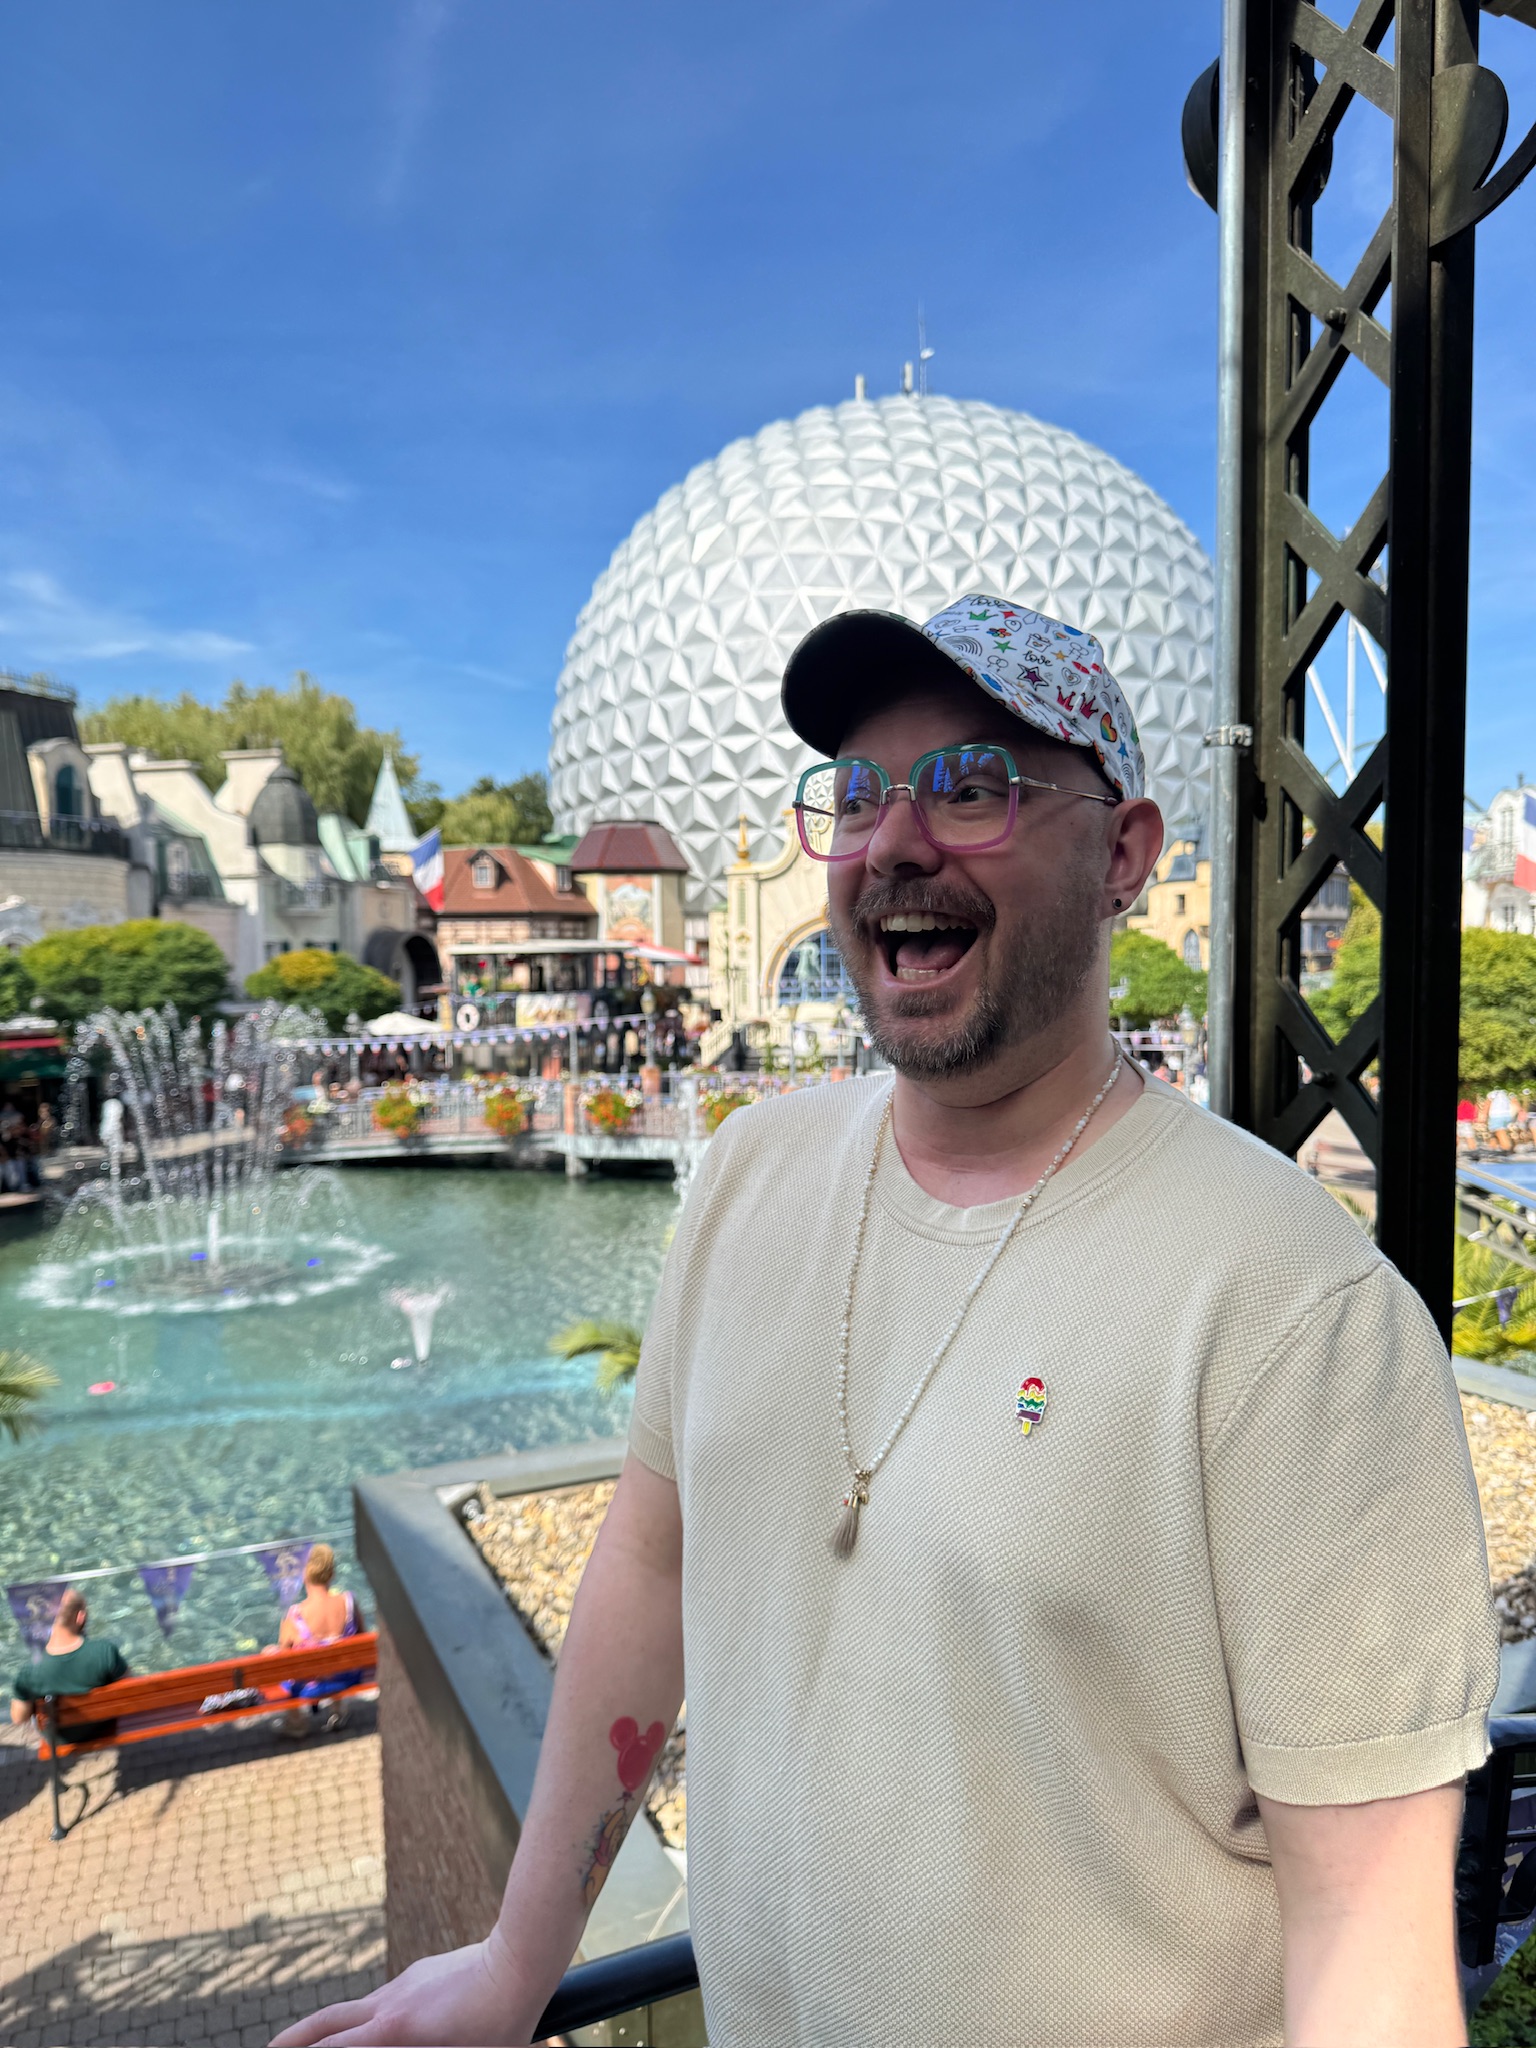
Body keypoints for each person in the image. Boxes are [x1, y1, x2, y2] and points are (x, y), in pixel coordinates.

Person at [278, 595, 1497, 2048]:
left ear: (1124, 854)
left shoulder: (1298, 1309)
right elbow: (653, 1571)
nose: (896, 840)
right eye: (858, 794)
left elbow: (1371, 1946)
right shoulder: (748, 1175)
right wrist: (515, 1957)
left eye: (972, 785)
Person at [265, 1543, 365, 1735]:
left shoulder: (294, 1616)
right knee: (333, 1655)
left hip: (310, 1688)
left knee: (272, 1657)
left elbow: (284, 1664)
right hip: (347, 1678)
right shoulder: (349, 1602)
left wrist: (271, 1652)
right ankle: (338, 1709)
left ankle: (296, 1721)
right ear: (332, 1573)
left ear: (304, 1575)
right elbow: (361, 1640)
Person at [9, 1589, 128, 1740]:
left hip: (60, 1740)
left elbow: (19, 1718)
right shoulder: (105, 1651)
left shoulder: (30, 1670)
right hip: (106, 1729)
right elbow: (128, 1688)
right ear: (80, 1617)